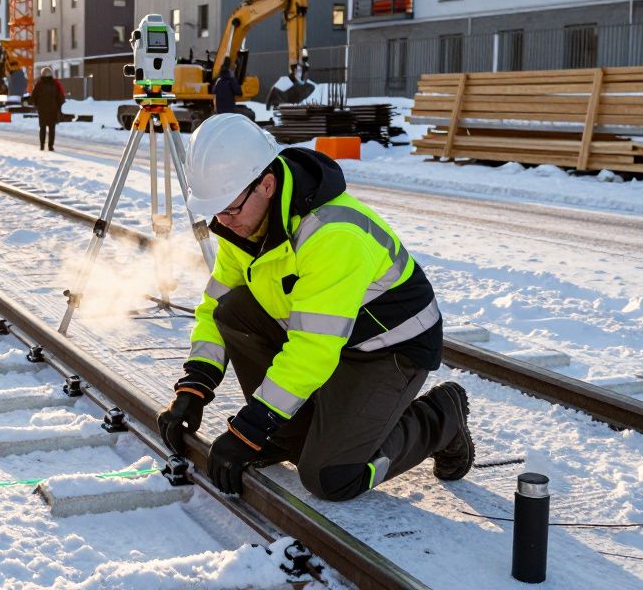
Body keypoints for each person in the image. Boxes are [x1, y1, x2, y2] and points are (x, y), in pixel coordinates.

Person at [158, 114, 473, 501]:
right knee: (233, 310)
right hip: (333, 342)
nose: (223, 221)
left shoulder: (332, 234)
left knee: (330, 476)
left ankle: (440, 417)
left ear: (267, 184)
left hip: (389, 350)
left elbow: (313, 347)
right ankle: (292, 434)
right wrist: (195, 385)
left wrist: (253, 425)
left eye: (230, 209)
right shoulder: (244, 225)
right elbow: (216, 308)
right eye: (215, 211)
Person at [31, 67, 64, 152]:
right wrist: (58, 106)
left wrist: (37, 105)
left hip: (42, 110)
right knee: (52, 129)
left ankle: (42, 145)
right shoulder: (55, 84)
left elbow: (33, 97)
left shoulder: (39, 84)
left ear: (42, 74)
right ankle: (50, 146)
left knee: (42, 128)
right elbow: (60, 98)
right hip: (53, 110)